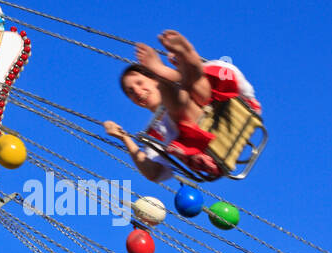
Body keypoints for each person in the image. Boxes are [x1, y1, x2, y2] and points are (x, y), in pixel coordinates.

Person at [103, 30, 261, 182]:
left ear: (154, 80)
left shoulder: (182, 84)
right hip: (203, 147)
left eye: (139, 83)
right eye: (130, 92)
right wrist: (124, 138)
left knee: (191, 84)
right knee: (179, 107)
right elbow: (153, 173)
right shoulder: (155, 132)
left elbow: (185, 81)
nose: (137, 91)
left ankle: (186, 56)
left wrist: (181, 65)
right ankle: (179, 64)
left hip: (226, 108)